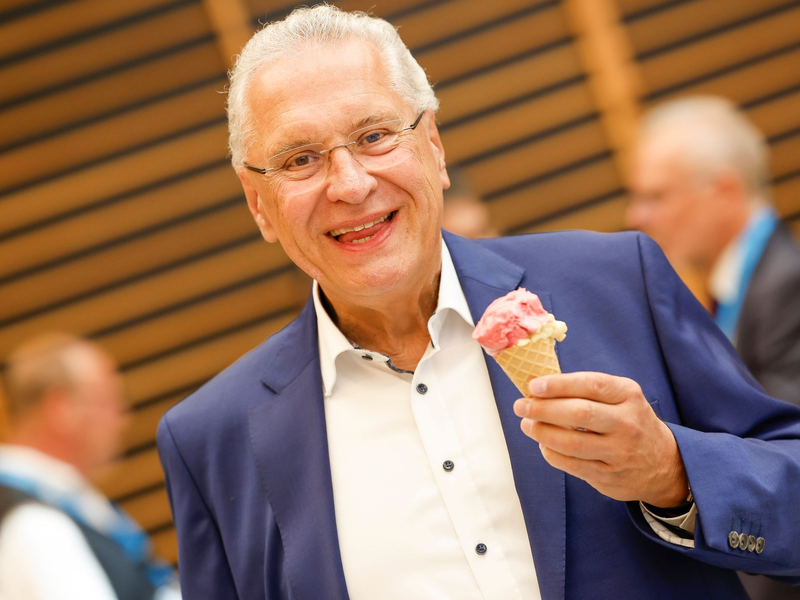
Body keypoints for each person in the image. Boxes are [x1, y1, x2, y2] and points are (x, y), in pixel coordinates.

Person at [157, 7, 800, 599]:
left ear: (433, 146)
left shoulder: (617, 282)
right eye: (300, 159)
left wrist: (673, 474)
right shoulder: (210, 442)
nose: (349, 184)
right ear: (258, 203)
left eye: (375, 135)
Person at [626, 97, 800, 409]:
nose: (636, 217)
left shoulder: (788, 286)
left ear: (725, 193)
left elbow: (786, 430)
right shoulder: (746, 285)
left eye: (656, 196)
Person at [0, 333, 180, 600]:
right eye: (108, 401)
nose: (123, 419)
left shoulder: (59, 500)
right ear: (61, 408)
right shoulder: (32, 522)